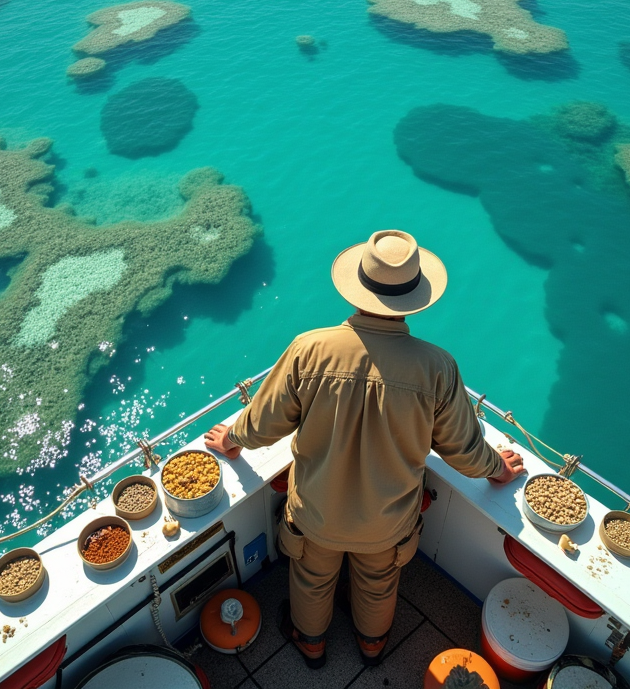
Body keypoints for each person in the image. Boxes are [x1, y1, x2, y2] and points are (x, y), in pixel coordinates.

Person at [204, 230, 524, 668]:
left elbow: (262, 426)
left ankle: (311, 644)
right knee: (378, 584)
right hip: (387, 523)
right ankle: (372, 647)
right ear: (414, 296)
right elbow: (465, 454)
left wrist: (232, 439)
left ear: (356, 288)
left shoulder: (309, 349)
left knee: (312, 580)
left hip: (317, 514)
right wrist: (499, 471)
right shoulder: (438, 368)